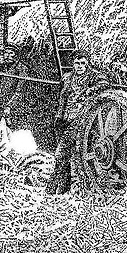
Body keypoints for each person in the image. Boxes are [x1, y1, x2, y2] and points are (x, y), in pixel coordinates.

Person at [45, 51, 110, 195]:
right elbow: (62, 98)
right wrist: (59, 116)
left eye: (83, 63)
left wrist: (90, 90)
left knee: (61, 154)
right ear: (73, 64)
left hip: (80, 120)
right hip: (63, 119)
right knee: (65, 158)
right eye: (77, 63)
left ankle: (50, 191)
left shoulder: (93, 76)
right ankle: (62, 189)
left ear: (87, 64)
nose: (80, 66)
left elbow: (105, 83)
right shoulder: (67, 78)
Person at [0, 45, 28, 145]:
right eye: (6, 53)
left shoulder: (22, 69)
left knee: (11, 134)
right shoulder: (1, 68)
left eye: (11, 53)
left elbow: (20, 91)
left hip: (14, 108)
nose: (7, 55)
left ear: (16, 55)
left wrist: (9, 106)